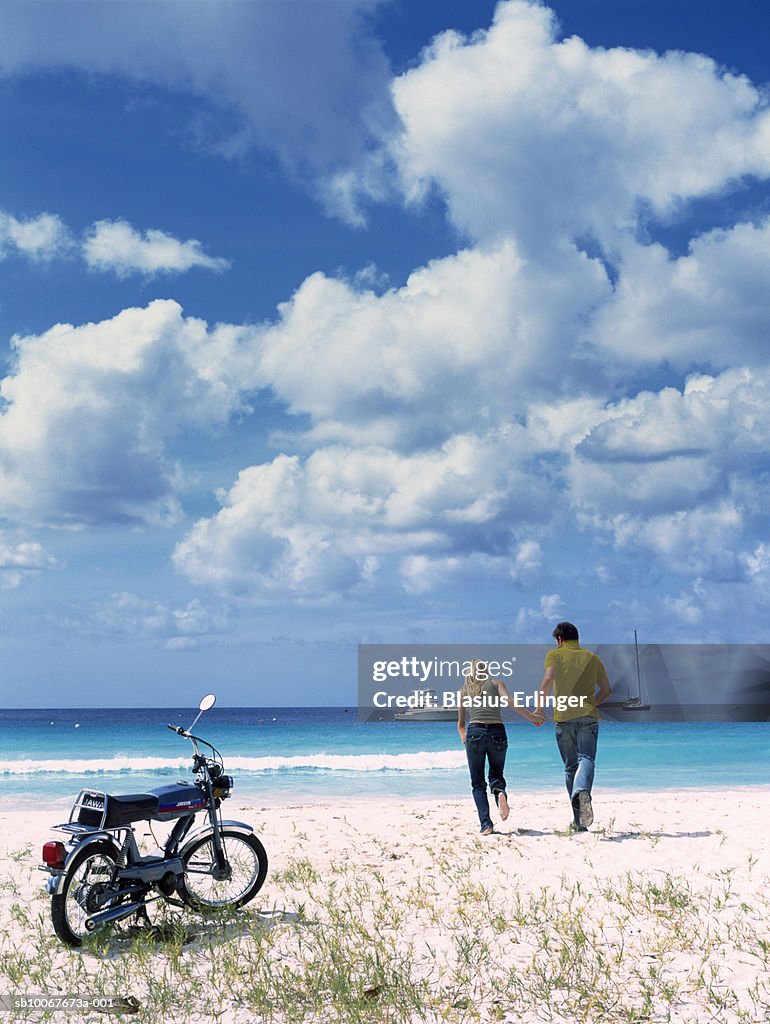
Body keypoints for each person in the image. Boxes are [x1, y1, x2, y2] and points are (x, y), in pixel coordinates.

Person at [533, 622, 612, 832]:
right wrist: (590, 705)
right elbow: (606, 690)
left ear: (559, 640)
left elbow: (548, 679)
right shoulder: (592, 658)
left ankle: (579, 819)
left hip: (563, 717)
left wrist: (540, 709)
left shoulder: (555, 655)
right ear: (576, 638)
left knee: (570, 767)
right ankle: (582, 793)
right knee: (586, 759)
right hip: (587, 716)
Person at [458, 659, 543, 835]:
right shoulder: (496, 683)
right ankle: (499, 793)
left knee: (477, 783)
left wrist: (464, 737)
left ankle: (486, 825)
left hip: (475, 733)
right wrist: (531, 717)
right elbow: (509, 701)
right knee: (496, 774)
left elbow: (460, 724)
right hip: (497, 731)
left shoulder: (464, 691)